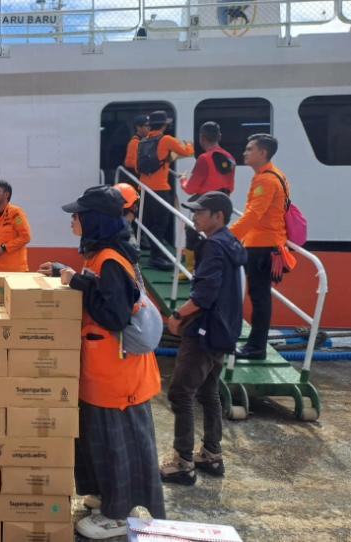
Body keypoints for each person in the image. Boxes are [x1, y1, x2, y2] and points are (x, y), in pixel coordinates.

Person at [39, 185, 164, 539]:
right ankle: (107, 497)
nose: (72, 220)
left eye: (77, 215)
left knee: (115, 444)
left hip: (117, 376)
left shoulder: (110, 260)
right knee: (98, 439)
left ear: (93, 220)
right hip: (103, 372)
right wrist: (68, 272)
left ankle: (117, 515)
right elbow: (99, 290)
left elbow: (114, 315)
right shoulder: (102, 255)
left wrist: (76, 281)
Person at [160, 192, 246, 485]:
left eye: (200, 212)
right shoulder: (232, 242)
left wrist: (178, 316)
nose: (194, 217)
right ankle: (211, 454)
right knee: (208, 392)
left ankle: (183, 463)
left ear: (218, 216)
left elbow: (204, 294)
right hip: (225, 330)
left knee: (180, 393)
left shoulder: (214, 246)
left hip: (205, 331)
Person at [230, 134, 289, 360]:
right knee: (260, 296)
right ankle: (257, 345)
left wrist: (227, 235)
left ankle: (256, 348)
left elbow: (254, 214)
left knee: (259, 297)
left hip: (261, 247)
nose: (244, 152)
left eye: (249, 149)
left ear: (262, 153)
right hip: (269, 244)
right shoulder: (277, 175)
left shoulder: (266, 180)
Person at [137, 110, 194, 271]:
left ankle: (156, 254)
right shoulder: (166, 139)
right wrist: (189, 144)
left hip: (144, 189)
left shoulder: (143, 141)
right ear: (164, 125)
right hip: (160, 189)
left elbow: (137, 167)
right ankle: (156, 257)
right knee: (161, 224)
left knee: (150, 223)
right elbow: (187, 152)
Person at [179, 121, 236, 275]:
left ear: (202, 138)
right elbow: (231, 185)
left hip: (206, 203)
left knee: (192, 231)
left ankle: (189, 271)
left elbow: (190, 188)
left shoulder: (204, 158)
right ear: (220, 137)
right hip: (223, 203)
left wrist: (183, 180)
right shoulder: (230, 158)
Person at [0, 180, 32, 272]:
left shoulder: (16, 214)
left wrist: (3, 248)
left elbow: (26, 237)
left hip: (15, 271)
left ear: (6, 195)